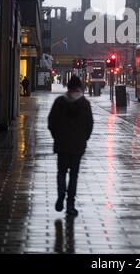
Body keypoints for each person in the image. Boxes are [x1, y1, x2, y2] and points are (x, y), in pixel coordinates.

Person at [48, 75, 93, 216]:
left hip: (62, 144)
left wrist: (57, 137)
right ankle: (70, 205)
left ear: (68, 87)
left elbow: (51, 122)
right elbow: (89, 125)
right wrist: (83, 139)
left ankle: (61, 193)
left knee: (61, 172)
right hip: (77, 146)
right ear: (79, 87)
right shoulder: (84, 103)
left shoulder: (60, 102)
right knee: (74, 175)